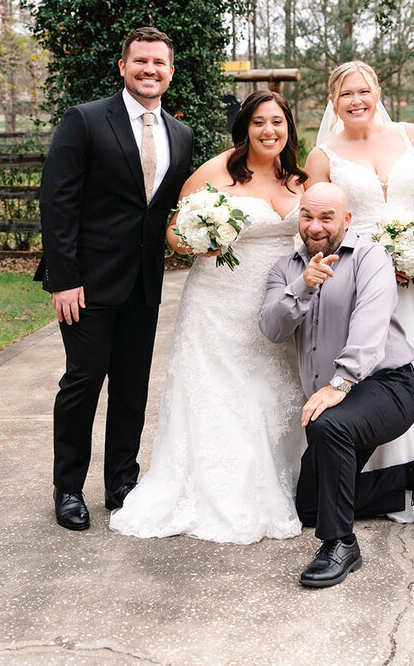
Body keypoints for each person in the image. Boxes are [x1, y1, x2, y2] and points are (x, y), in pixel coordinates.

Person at [109, 91, 309, 544]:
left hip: (278, 303)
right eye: (259, 122)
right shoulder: (218, 170)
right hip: (219, 302)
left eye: (277, 122)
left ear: (289, 128)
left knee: (271, 394)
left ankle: (284, 481)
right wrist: (201, 240)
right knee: (223, 397)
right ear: (245, 127)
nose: (269, 131)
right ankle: (222, 493)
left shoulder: (300, 177)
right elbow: (176, 232)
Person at [304, 61, 414, 523]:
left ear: (378, 90)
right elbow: (318, 224)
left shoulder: (412, 137)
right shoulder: (323, 155)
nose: (356, 100)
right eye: (345, 94)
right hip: (356, 281)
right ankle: (382, 469)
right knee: (371, 363)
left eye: (364, 90)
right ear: (333, 101)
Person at [37, 27, 195, 531]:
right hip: (86, 284)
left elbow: (166, 211)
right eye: (141, 62)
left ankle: (122, 484)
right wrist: (64, 278)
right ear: (123, 67)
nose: (150, 70)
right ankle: (68, 490)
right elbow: (57, 200)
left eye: (160, 63)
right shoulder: (85, 120)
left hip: (144, 285)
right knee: (82, 383)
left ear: (171, 71)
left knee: (132, 388)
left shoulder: (180, 134)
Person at [259, 183, 414, 588]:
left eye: (327, 217)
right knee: (309, 506)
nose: (315, 226)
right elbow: (272, 329)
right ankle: (413, 477)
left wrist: (339, 382)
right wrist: (304, 286)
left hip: (389, 387)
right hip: (337, 400)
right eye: (308, 216)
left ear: (346, 220)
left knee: (328, 425)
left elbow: (371, 325)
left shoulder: (370, 257)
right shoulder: (285, 269)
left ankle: (340, 544)